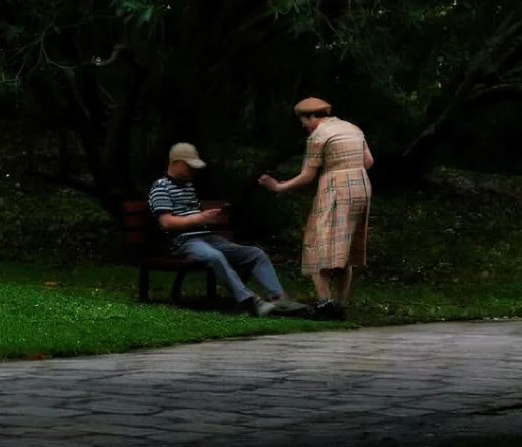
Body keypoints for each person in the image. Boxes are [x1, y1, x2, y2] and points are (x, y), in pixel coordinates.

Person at [148, 143, 309, 319]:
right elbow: (167, 223)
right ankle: (249, 301)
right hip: (182, 242)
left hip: (206, 237)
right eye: (189, 166)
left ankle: (280, 299)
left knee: (255, 254)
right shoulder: (160, 187)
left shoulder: (188, 185)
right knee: (215, 256)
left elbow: (191, 216)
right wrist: (201, 218)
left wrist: (210, 217)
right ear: (175, 162)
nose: (193, 170)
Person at [258, 99, 373, 320]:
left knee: (315, 245)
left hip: (335, 190)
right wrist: (349, 171)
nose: (303, 125)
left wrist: (279, 187)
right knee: (344, 250)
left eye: (303, 121)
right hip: (361, 187)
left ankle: (325, 304)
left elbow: (307, 176)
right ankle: (340, 305)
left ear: (310, 117)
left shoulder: (318, 136)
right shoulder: (352, 128)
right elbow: (368, 161)